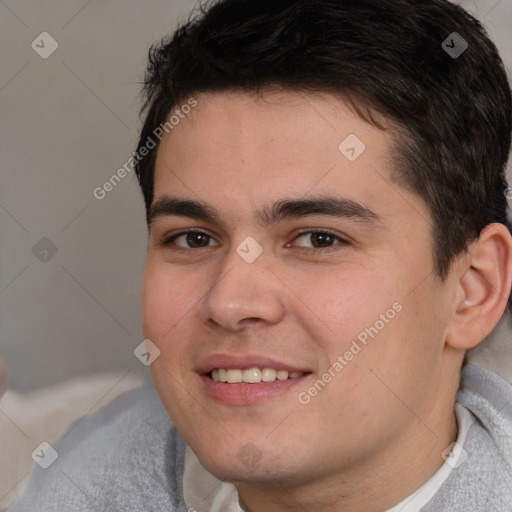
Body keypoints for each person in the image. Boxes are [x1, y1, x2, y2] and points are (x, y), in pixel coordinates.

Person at [9, 0, 512, 510]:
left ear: (474, 289)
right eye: (194, 238)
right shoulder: (72, 472)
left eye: (319, 239)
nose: (229, 302)